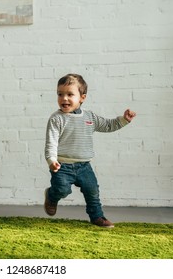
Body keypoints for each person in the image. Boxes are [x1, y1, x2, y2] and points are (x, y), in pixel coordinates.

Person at [44, 73, 136, 228]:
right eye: (60, 94)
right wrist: (52, 161)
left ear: (82, 97)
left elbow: (108, 125)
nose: (64, 98)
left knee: (92, 191)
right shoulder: (56, 119)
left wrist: (123, 119)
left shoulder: (89, 117)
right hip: (62, 165)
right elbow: (51, 143)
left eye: (70, 94)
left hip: (84, 166)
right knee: (62, 189)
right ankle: (52, 196)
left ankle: (97, 217)